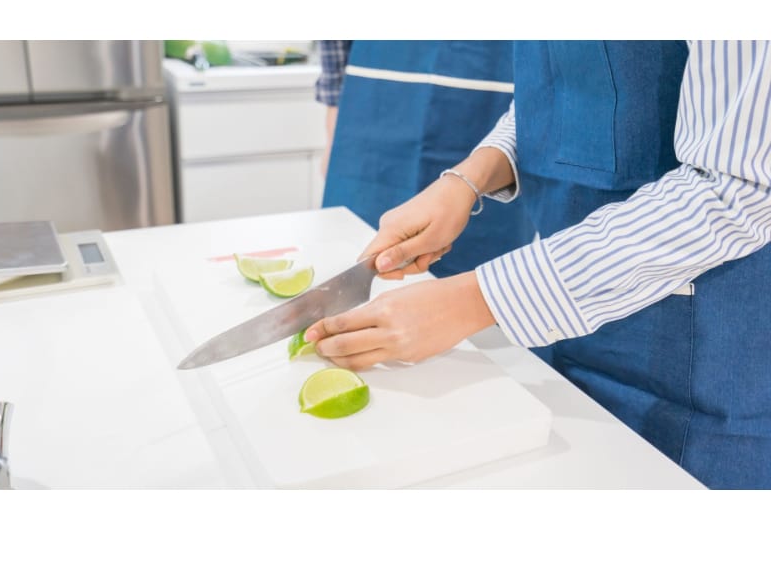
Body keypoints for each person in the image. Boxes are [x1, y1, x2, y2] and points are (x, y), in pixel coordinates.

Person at [304, 41, 771, 490]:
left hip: (698, 350)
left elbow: (739, 189)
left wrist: (477, 299)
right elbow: (557, 88)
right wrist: (469, 178)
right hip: (570, 325)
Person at [315, 40, 536, 278]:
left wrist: (467, 183)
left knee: (478, 290)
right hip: (372, 111)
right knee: (351, 273)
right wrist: (334, 127)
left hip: (493, 119)